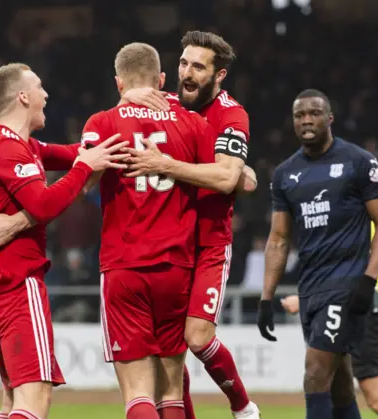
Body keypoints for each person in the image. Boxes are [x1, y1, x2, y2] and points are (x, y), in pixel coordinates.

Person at [79, 41, 228, 419]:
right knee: (172, 390)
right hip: (176, 268)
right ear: (162, 80)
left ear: (118, 83)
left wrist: (120, 110)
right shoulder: (193, 123)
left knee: (137, 393)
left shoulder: (103, 122)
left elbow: (85, 182)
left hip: (124, 266)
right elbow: (229, 177)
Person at [0, 62, 128, 419]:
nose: (47, 95)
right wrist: (85, 168)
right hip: (16, 283)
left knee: (12, 402)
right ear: (23, 96)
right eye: (40, 87)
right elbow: (43, 203)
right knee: (35, 401)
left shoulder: (8, 143)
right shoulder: (8, 149)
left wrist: (112, 136)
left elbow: (72, 152)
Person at [122, 31, 259, 419]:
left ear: (219, 76)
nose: (187, 72)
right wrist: (130, 97)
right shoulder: (166, 103)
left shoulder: (231, 115)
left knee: (197, 337)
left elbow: (226, 178)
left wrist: (167, 165)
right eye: (183, 63)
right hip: (168, 244)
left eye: (198, 66)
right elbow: (124, 105)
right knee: (169, 357)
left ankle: (244, 408)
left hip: (209, 245)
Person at [257, 89, 378, 419]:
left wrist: (368, 280)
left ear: (329, 118)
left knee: (315, 373)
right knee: (339, 385)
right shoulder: (285, 174)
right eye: (299, 115)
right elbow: (278, 239)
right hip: (312, 288)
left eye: (314, 113)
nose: (306, 119)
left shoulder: (359, 162)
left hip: (347, 285)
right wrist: (265, 298)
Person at [281, 229, 378, 419]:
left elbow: (345, 265)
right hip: (348, 304)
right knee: (339, 390)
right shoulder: (353, 212)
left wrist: (306, 300)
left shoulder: (353, 215)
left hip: (363, 306)